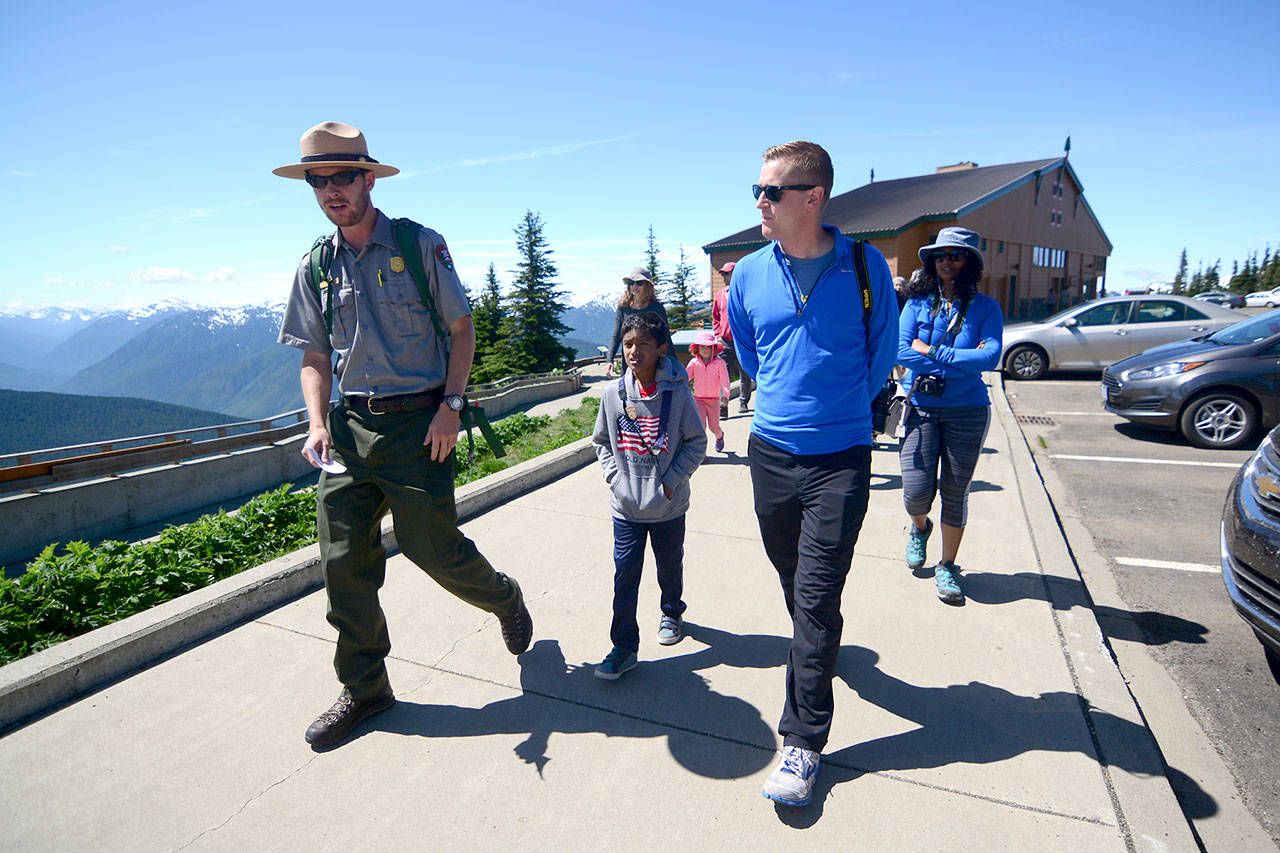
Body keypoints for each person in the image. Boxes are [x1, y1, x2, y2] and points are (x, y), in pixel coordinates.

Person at [275, 121, 533, 749]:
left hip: (420, 426)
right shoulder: (316, 264)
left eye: (343, 176)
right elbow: (312, 353)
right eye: (318, 180)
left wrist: (450, 405)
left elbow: (462, 329)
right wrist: (316, 422)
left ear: (368, 178)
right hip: (349, 429)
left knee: (434, 551)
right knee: (342, 563)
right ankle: (365, 688)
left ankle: (504, 597)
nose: (331, 190)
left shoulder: (418, 245)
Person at [726, 141, 897, 807]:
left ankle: (802, 741)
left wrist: (836, 409)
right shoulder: (747, 274)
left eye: (771, 191)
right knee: (797, 581)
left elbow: (882, 349)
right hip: (770, 451)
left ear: (813, 197)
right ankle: (817, 642)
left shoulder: (864, 265)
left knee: (817, 596)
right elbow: (749, 348)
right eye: (757, 190)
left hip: (840, 457)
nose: (760, 203)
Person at [591, 311, 706, 679]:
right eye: (628, 344)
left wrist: (671, 482)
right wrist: (616, 480)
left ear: (660, 349)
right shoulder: (612, 394)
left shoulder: (677, 392)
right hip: (625, 507)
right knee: (625, 574)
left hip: (668, 506)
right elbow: (602, 443)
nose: (633, 351)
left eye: (642, 344)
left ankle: (672, 610)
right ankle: (623, 646)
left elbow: (696, 442)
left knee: (669, 565)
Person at [896, 227, 1003, 605]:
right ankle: (919, 527)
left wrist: (932, 353)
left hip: (968, 411)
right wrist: (959, 361)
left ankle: (947, 565)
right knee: (915, 492)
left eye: (956, 255)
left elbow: (989, 358)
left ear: (970, 262)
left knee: (955, 492)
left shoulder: (987, 307)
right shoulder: (916, 304)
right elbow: (900, 351)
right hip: (922, 408)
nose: (947, 261)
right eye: (941, 255)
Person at [606, 268, 670, 377]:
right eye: (631, 283)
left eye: (639, 283)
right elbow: (616, 336)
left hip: (653, 364)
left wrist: (674, 363)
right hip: (630, 365)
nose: (634, 286)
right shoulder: (623, 309)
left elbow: (666, 337)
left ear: (647, 286)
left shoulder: (657, 308)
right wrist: (609, 360)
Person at [712, 261, 752, 416]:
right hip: (725, 342)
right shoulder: (720, 295)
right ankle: (723, 406)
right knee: (723, 375)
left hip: (742, 341)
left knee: (745, 374)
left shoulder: (744, 293)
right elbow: (716, 317)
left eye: (727, 273)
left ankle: (743, 401)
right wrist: (717, 334)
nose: (724, 276)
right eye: (723, 274)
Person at [686, 329, 731, 454]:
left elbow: (725, 382)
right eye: (702, 346)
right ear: (697, 348)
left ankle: (720, 436)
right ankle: (701, 453)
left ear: (713, 348)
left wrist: (725, 396)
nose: (705, 349)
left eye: (708, 347)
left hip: (714, 400)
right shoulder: (694, 363)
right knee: (701, 428)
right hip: (698, 399)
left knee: (713, 427)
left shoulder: (720, 363)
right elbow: (685, 378)